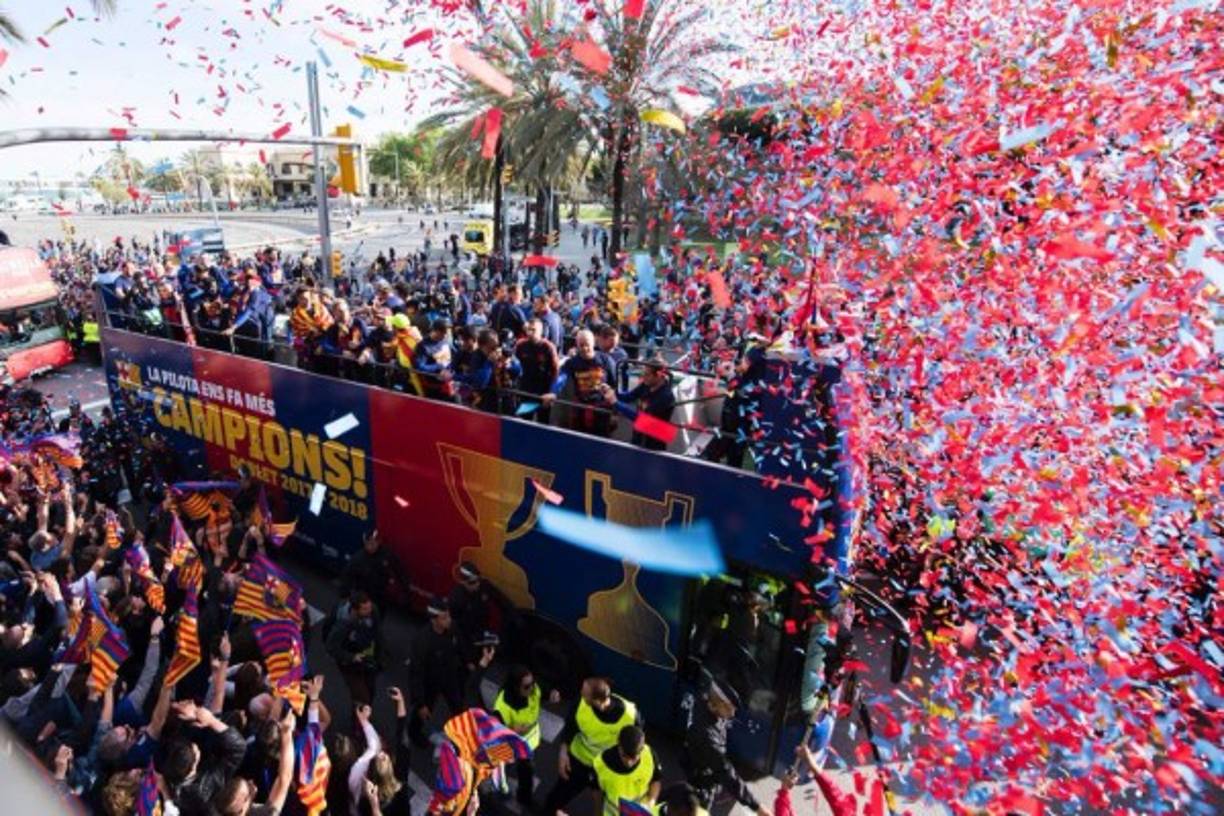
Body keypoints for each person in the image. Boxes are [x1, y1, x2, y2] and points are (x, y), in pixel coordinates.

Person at [543, 678, 641, 815]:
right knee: (556, 798)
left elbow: (636, 742)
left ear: (598, 700)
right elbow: (570, 727)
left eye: (585, 693)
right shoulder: (581, 704)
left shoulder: (631, 715)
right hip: (579, 762)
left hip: (606, 768)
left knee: (606, 806)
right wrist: (563, 752)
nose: (581, 695)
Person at [683, 677, 768, 816]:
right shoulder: (707, 736)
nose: (733, 713)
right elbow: (726, 772)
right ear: (718, 704)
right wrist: (757, 807)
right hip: (702, 784)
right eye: (729, 708)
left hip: (697, 765)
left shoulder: (705, 700)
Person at [492, 664, 560, 809]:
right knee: (498, 763)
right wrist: (511, 730)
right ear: (516, 687)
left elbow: (542, 692)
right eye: (527, 686)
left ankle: (523, 797)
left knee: (526, 771)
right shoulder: (503, 706)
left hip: (527, 742)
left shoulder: (533, 689)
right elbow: (495, 730)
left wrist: (551, 695)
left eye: (533, 683)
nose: (532, 688)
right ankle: (499, 788)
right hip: (510, 742)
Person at [407, 598, 465, 748]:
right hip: (430, 683)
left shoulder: (452, 629)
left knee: (458, 707)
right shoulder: (423, 641)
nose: (449, 620)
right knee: (424, 712)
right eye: (444, 617)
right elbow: (416, 673)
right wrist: (420, 703)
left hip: (449, 678)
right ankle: (414, 733)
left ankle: (461, 734)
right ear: (434, 620)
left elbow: (459, 647)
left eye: (449, 616)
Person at [542, 329, 617, 437]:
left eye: (587, 344)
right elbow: (562, 377)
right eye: (581, 345)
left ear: (593, 343)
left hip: (602, 410)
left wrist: (615, 413)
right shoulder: (572, 363)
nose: (584, 348)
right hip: (580, 409)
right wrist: (554, 392)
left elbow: (615, 385)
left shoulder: (606, 360)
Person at [447, 561, 516, 664]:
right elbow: (455, 626)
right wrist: (468, 659)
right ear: (463, 582)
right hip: (467, 637)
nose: (477, 585)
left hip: (482, 630)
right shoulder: (456, 598)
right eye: (472, 583)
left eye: (478, 580)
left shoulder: (484, 586)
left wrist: (514, 615)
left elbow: (501, 599)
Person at [325, 590, 385, 709]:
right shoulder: (343, 624)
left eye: (369, 607)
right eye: (365, 609)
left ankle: (362, 714)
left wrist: (380, 656)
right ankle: (359, 720)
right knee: (361, 697)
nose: (370, 611)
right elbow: (331, 646)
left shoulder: (373, 610)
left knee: (370, 689)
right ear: (355, 610)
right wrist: (351, 657)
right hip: (349, 659)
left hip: (366, 654)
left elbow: (377, 633)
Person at [605, 355, 678, 451]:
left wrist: (616, 403)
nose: (643, 377)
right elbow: (629, 396)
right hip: (639, 435)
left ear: (659, 375)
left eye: (647, 374)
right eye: (643, 373)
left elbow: (642, 419)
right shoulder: (646, 385)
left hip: (653, 443)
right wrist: (611, 391)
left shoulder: (665, 397)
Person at [593, 725, 661, 816]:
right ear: (618, 744)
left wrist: (650, 803)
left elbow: (656, 781)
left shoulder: (650, 755)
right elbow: (597, 794)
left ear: (642, 749)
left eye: (633, 758)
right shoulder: (600, 764)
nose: (629, 763)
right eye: (624, 756)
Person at [339, 530, 406, 613]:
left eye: (374, 542)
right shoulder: (358, 559)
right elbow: (347, 576)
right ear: (365, 542)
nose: (372, 546)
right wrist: (345, 595)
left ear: (379, 543)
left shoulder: (387, 555)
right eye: (369, 542)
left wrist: (403, 590)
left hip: (380, 598)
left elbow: (399, 570)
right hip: (363, 599)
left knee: (376, 619)